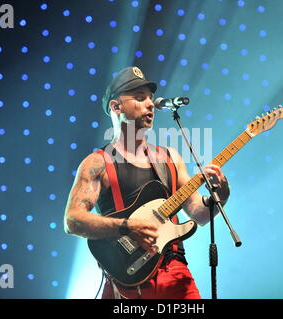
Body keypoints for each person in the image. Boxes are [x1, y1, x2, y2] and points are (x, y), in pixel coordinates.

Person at [63, 66, 230, 299]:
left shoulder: (169, 157)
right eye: (140, 99)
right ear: (116, 107)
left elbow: (199, 214)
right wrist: (127, 226)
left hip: (175, 274)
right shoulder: (97, 163)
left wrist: (221, 195)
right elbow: (72, 220)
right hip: (126, 281)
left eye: (150, 99)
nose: (150, 104)